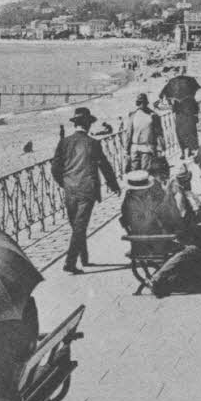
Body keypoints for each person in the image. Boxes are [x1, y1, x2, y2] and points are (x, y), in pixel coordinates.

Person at [52, 107, 121, 274]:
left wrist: (65, 183)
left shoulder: (64, 142)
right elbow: (105, 166)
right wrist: (114, 185)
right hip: (87, 189)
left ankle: (84, 258)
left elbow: (55, 168)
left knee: (76, 226)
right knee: (79, 227)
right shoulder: (93, 143)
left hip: (70, 189)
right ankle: (70, 262)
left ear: (75, 124)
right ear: (89, 125)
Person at [125, 93, 166, 172]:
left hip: (147, 148)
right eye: (139, 103)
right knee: (134, 172)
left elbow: (159, 134)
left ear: (146, 103)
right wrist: (126, 150)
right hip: (134, 148)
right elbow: (129, 133)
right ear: (137, 103)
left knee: (146, 171)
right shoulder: (133, 115)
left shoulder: (153, 116)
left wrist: (161, 149)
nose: (141, 105)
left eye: (143, 102)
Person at [170, 95, 200, 159]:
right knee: (189, 134)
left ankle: (183, 153)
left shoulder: (176, 99)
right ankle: (189, 151)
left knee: (181, 136)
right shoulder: (190, 98)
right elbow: (196, 108)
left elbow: (173, 111)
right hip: (188, 119)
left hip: (180, 120)